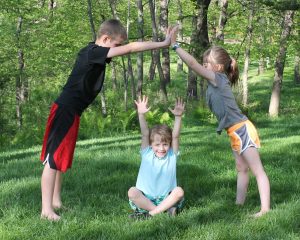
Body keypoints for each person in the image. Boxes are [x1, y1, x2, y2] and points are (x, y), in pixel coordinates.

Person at [40, 19, 177, 221]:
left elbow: (126, 47)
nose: (118, 49)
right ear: (105, 39)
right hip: (66, 110)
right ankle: (46, 211)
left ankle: (55, 202)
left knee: (60, 158)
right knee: (52, 161)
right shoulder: (94, 52)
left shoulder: (92, 52)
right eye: (116, 45)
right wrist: (163, 43)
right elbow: (131, 49)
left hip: (70, 110)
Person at [171, 34, 270, 217]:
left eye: (206, 63)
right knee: (241, 168)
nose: (203, 66)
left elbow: (192, 65)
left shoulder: (218, 78)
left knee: (258, 170)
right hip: (234, 132)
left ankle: (265, 209)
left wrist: (175, 46)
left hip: (242, 129)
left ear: (216, 67)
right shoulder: (215, 82)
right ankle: (238, 205)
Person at [128, 96, 185, 219]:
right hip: (145, 198)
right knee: (132, 192)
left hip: (167, 198)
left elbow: (175, 136)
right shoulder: (147, 152)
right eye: (157, 145)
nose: (161, 148)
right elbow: (145, 133)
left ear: (169, 144)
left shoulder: (171, 154)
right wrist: (141, 114)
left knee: (179, 191)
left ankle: (149, 215)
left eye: (165, 144)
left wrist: (178, 117)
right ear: (150, 144)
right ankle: (164, 211)